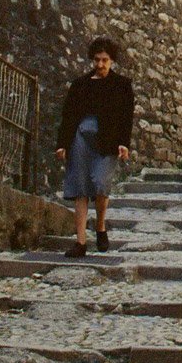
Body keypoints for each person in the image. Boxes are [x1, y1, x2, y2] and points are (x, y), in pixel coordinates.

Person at [55, 37, 134, 257]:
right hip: (81, 138)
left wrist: (124, 143)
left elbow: (126, 118)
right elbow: (68, 116)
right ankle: (80, 242)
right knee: (80, 188)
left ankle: (100, 226)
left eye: (104, 60)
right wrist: (63, 144)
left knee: (100, 184)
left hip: (108, 141)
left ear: (112, 60)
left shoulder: (122, 85)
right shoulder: (80, 85)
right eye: (97, 60)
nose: (100, 64)